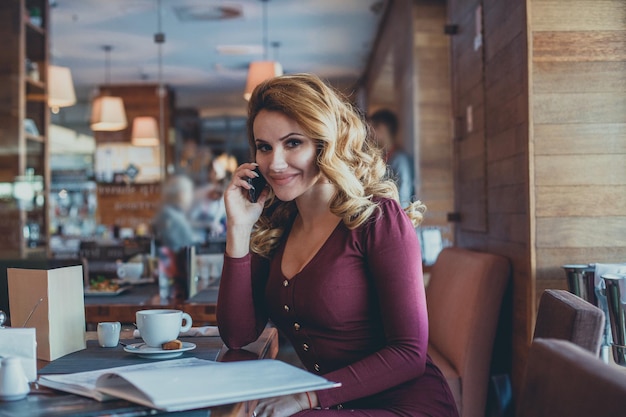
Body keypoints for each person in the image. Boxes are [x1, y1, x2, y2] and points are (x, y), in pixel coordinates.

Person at [217, 74, 458, 417]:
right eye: (264, 147)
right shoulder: (275, 227)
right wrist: (238, 230)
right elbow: (239, 335)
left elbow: (409, 353)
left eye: (293, 143)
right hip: (335, 406)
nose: (275, 163)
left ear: (325, 143)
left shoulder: (378, 218)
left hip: (405, 406)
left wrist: (309, 397)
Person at [369, 109, 414, 206]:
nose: (371, 135)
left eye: (372, 128)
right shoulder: (385, 157)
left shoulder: (400, 160)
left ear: (382, 128)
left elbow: (404, 197)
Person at [152, 174, 196, 252]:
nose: (191, 197)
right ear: (181, 194)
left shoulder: (176, 213)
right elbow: (173, 246)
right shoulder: (168, 215)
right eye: (189, 192)